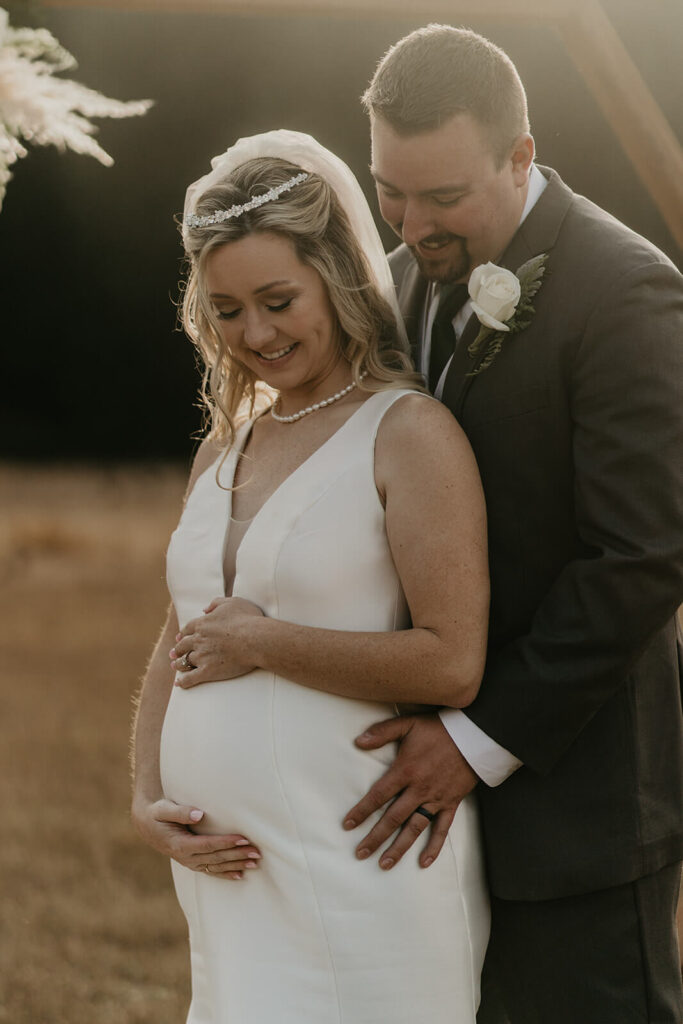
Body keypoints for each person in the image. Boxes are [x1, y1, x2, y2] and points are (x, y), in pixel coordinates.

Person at [338, 24, 682, 1024]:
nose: (409, 225)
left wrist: (478, 738)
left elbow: (640, 555)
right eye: (390, 190)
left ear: (519, 157)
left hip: (580, 799)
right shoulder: (405, 279)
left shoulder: (622, 293)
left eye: (442, 196)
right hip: (436, 813)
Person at [131, 130, 491, 1024]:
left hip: (362, 869)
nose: (254, 333)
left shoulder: (407, 434)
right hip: (231, 885)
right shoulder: (227, 442)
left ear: (336, 273)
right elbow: (182, 634)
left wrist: (263, 642)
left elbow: (451, 662)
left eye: (277, 299)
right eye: (225, 310)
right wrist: (145, 794)